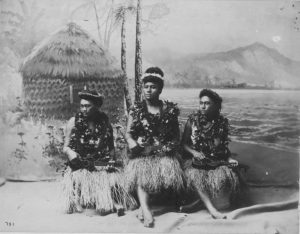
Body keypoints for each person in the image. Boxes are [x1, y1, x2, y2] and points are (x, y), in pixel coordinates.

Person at [125, 67, 185, 227]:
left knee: (167, 167)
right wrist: (136, 143)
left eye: (153, 87)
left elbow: (176, 137)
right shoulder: (136, 110)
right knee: (140, 170)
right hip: (143, 153)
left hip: (162, 153)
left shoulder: (169, 111)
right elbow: (128, 134)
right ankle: (145, 210)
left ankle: (150, 205)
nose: (148, 90)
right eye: (146, 87)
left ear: (160, 89)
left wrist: (164, 148)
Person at [61, 89, 136, 216]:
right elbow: (65, 147)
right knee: (81, 173)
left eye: (88, 106)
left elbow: (111, 148)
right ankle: (80, 198)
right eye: (82, 106)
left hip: (99, 161)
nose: (84, 109)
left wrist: (110, 164)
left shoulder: (105, 123)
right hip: (80, 162)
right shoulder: (73, 122)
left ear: (96, 106)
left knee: (111, 178)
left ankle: (112, 201)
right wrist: (70, 152)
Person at [180, 89, 241, 219]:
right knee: (195, 176)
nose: (202, 106)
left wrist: (229, 158)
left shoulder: (221, 123)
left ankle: (198, 203)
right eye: (201, 103)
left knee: (225, 203)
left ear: (215, 105)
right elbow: (183, 145)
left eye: (207, 103)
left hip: (215, 159)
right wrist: (194, 152)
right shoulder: (192, 120)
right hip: (196, 160)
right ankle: (212, 210)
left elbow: (224, 148)